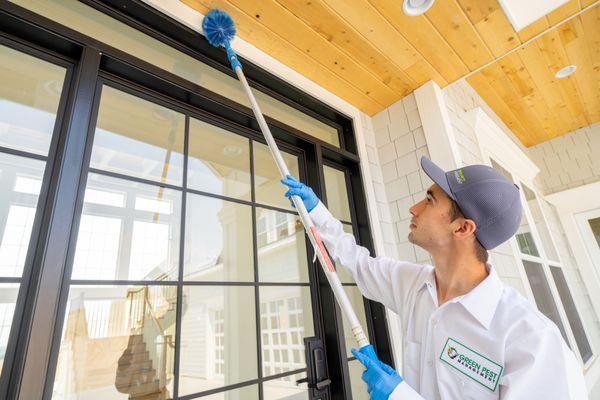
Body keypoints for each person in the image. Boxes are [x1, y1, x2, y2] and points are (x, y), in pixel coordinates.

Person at [281, 156, 587, 400]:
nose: (413, 208)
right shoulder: (413, 284)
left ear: (463, 229)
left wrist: (398, 396)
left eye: (429, 200)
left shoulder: (533, 341)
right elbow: (358, 263)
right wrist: (317, 212)